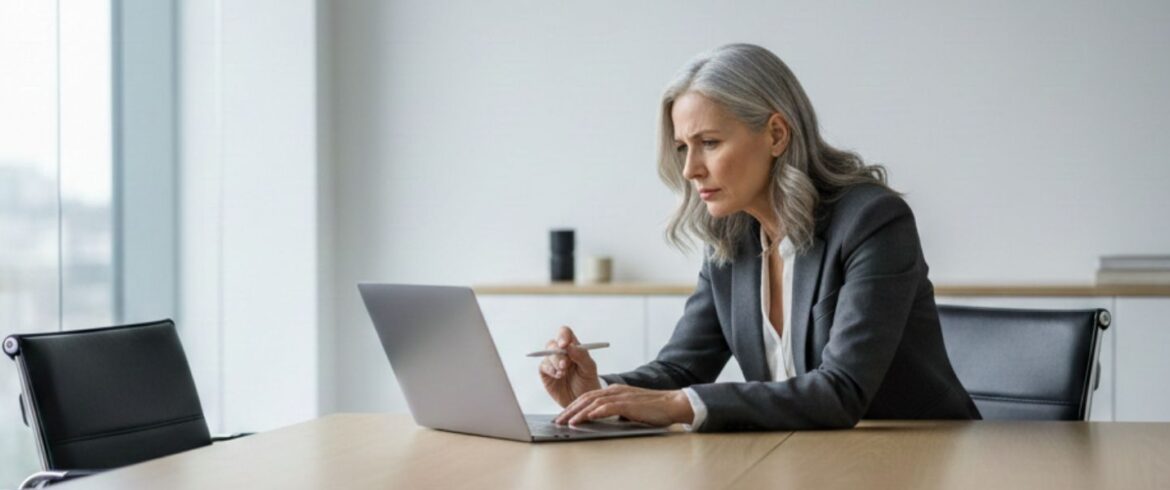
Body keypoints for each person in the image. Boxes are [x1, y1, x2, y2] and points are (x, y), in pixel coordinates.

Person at [539, 43, 980, 432]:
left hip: (923, 458)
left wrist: (679, 405)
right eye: (682, 147)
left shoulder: (873, 222)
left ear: (775, 134)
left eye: (709, 142)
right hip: (806, 458)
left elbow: (841, 390)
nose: (690, 169)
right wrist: (594, 392)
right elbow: (682, 367)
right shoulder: (730, 240)